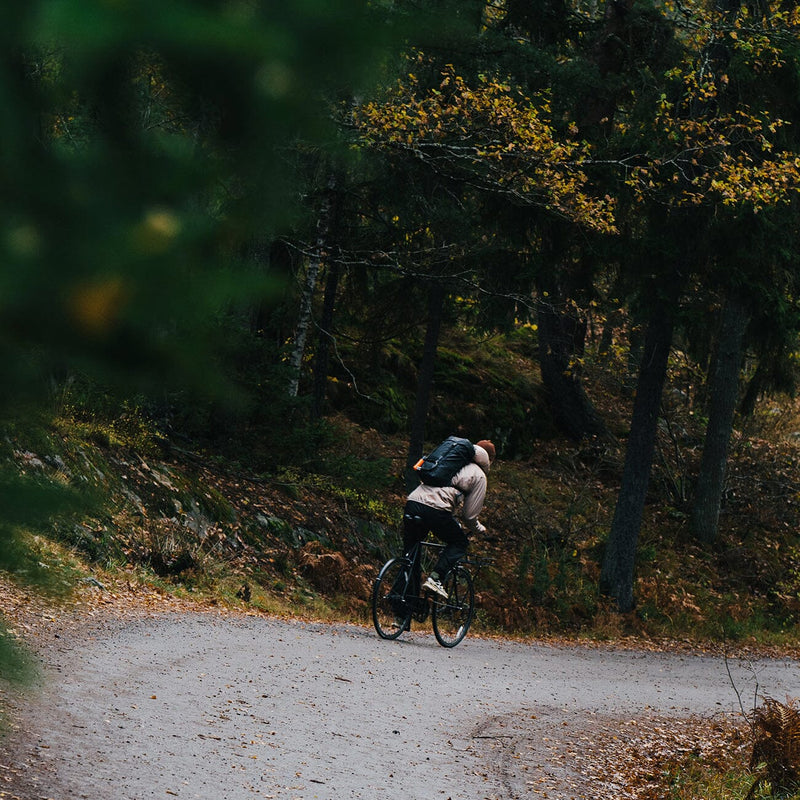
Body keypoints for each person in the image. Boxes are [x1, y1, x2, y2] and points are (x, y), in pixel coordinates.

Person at [402, 439, 496, 599]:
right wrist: (479, 529)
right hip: (435, 510)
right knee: (459, 542)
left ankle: (401, 614)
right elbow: (469, 515)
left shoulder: (449, 460)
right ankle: (435, 578)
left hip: (412, 502)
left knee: (410, 557)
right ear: (490, 460)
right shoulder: (479, 475)